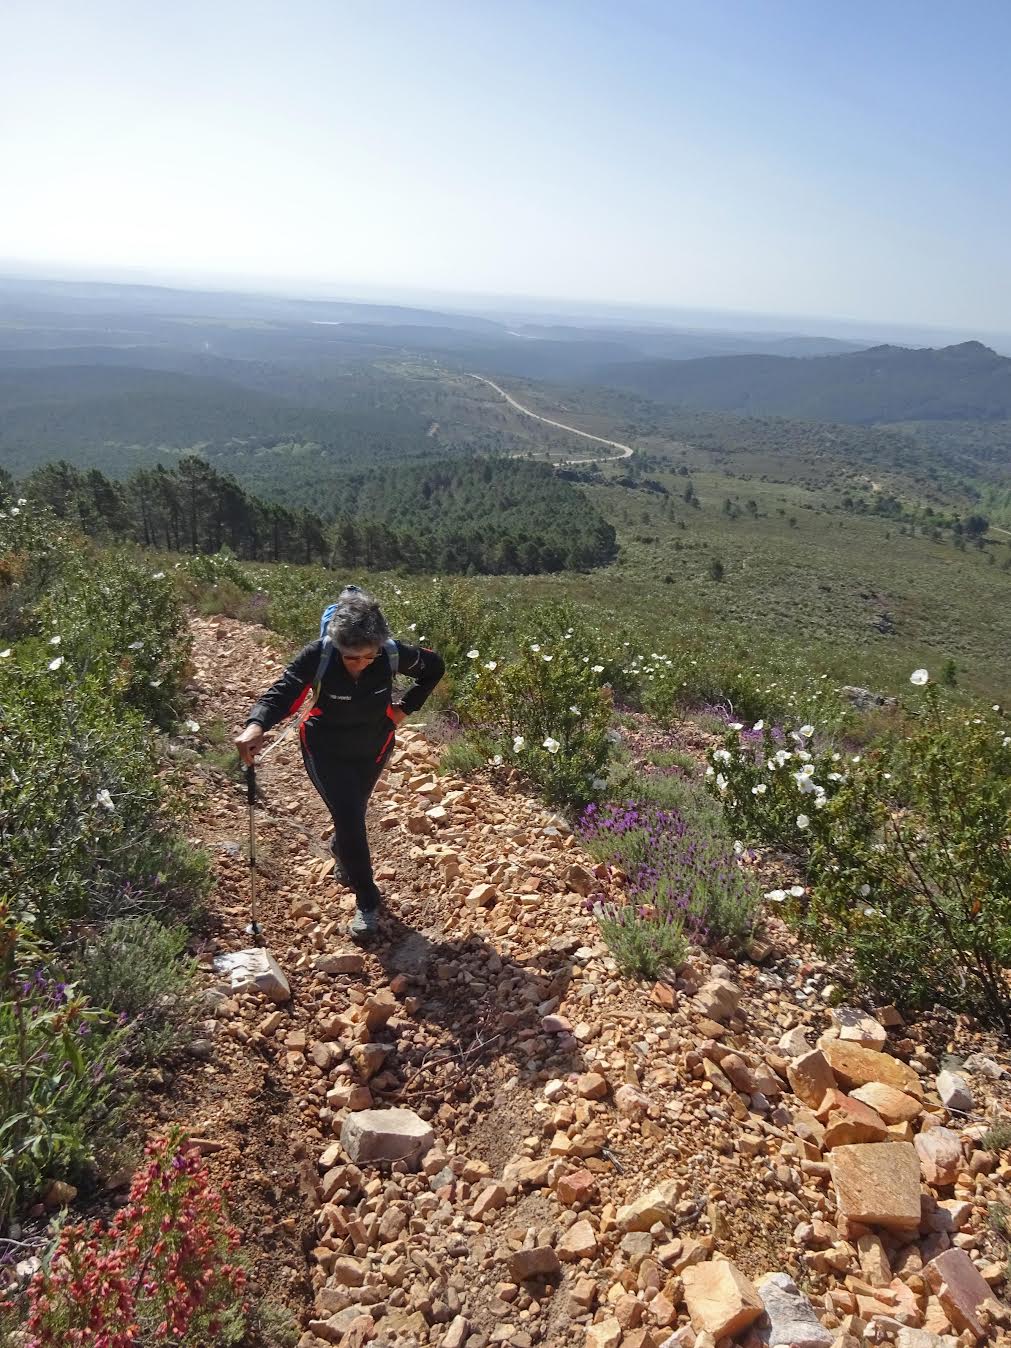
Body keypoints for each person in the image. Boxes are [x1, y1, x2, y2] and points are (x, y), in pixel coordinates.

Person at [235, 587, 444, 940]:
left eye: (368, 656)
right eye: (351, 657)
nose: (360, 663)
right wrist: (257, 724)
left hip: (374, 746)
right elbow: (284, 691)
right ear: (337, 645)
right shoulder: (319, 654)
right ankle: (368, 901)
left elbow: (434, 667)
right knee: (349, 816)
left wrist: (404, 709)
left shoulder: (392, 653)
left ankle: (341, 848)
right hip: (324, 748)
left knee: (352, 814)